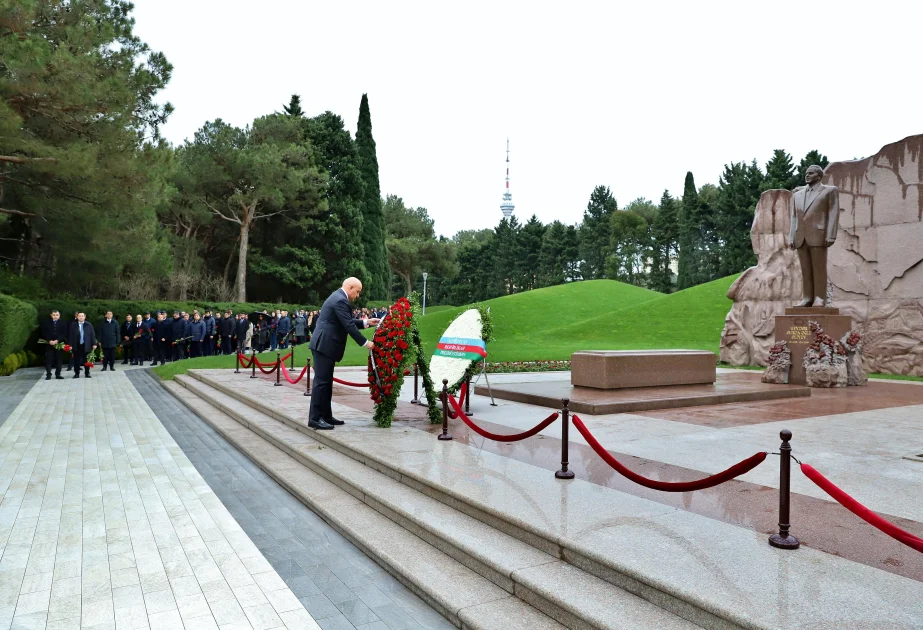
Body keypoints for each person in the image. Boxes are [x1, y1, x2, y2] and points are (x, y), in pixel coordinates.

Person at [308, 278, 380, 430]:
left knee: (326, 383)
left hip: (325, 345)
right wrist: (366, 343)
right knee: (321, 383)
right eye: (357, 291)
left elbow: (345, 321)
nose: (358, 295)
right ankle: (315, 418)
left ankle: (326, 416)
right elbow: (347, 325)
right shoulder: (341, 300)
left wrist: (366, 322)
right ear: (350, 287)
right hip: (324, 345)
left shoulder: (338, 297)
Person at [788, 164, 840, 307]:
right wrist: (791, 236)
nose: (807, 175)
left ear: (819, 176)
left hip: (819, 235)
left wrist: (831, 235)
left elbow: (833, 213)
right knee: (805, 269)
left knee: (819, 269)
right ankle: (807, 298)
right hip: (800, 237)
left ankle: (820, 298)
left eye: (811, 173)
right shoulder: (797, 195)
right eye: (806, 173)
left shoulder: (829, 191)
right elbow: (794, 217)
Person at [68, 312, 97, 379]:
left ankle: (87, 373)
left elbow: (92, 335)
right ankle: (76, 374)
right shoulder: (73, 325)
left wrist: (94, 344)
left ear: (84, 317)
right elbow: (70, 336)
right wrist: (70, 345)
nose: (81, 317)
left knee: (87, 360)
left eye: (82, 316)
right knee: (76, 361)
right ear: (77, 317)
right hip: (76, 345)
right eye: (79, 316)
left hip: (86, 345)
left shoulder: (89, 325)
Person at [40, 310, 67, 380]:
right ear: (51, 315)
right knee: (49, 360)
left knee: (59, 360)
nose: (55, 316)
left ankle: (58, 374)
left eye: (57, 315)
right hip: (49, 344)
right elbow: (44, 332)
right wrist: (49, 341)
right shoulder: (46, 323)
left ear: (59, 315)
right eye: (54, 315)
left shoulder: (63, 323)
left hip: (59, 344)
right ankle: (48, 374)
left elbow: (64, 334)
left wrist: (57, 340)